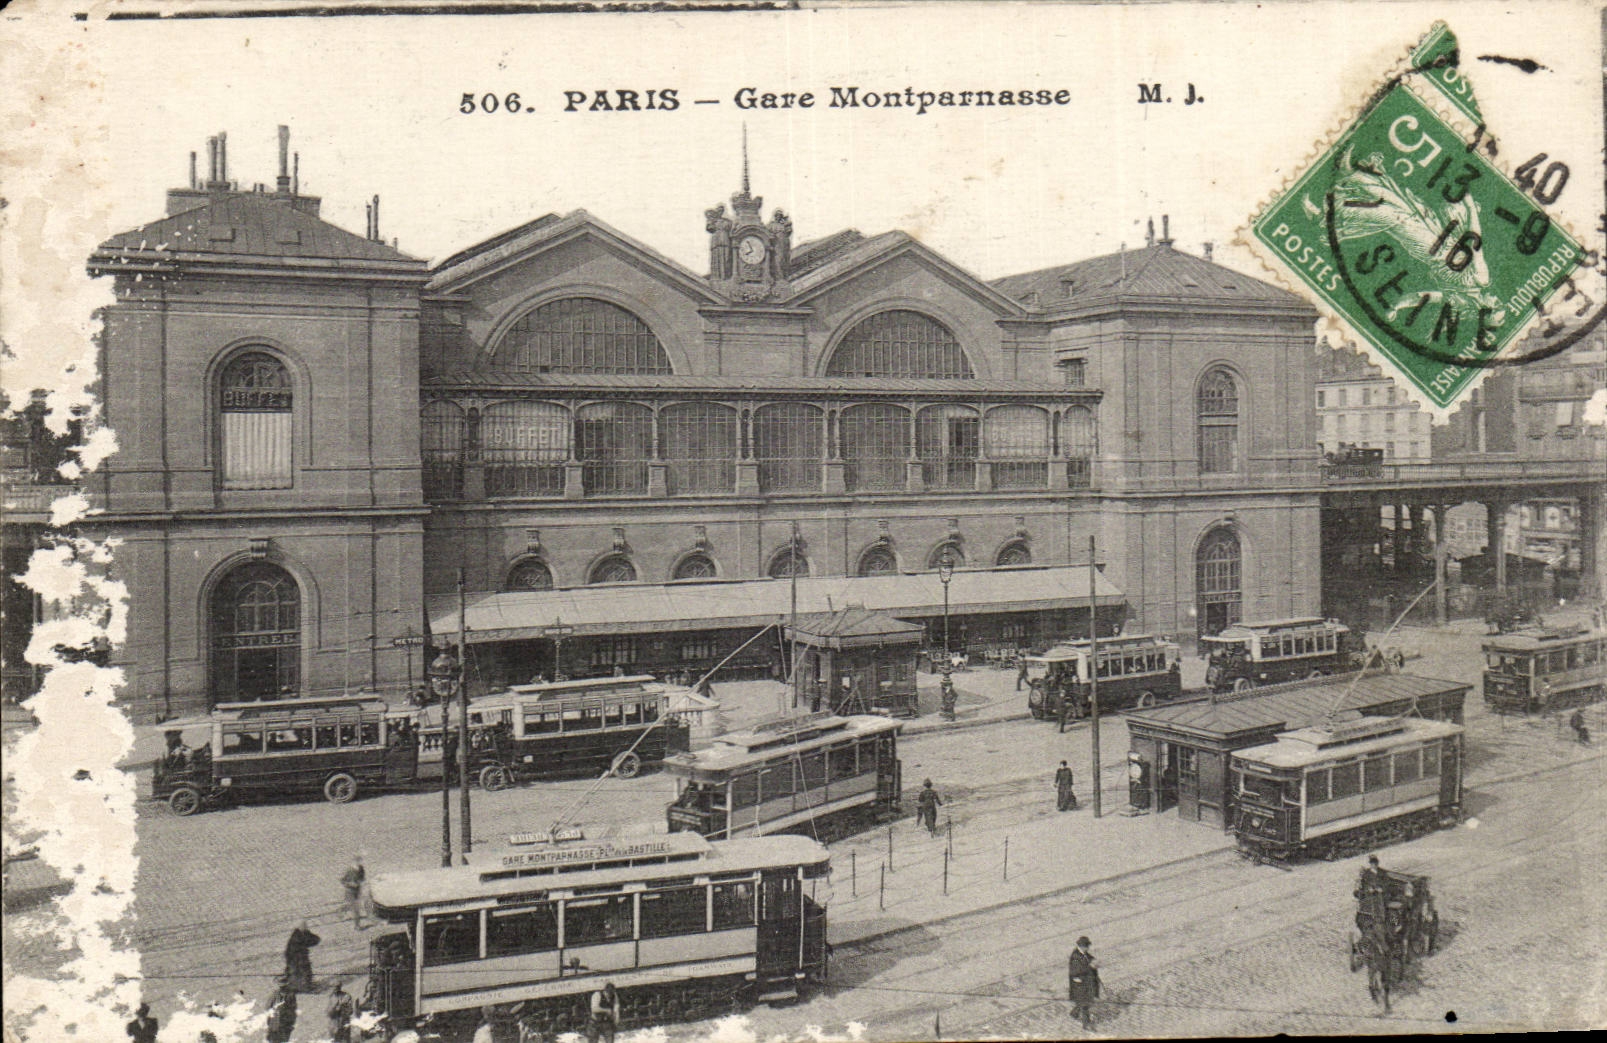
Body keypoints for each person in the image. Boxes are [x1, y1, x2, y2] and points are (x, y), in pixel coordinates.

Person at [1067, 935, 1100, 1030]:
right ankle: (1086, 1025)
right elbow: (1076, 971)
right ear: (1082, 946)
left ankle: (1074, 1013)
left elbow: (1088, 957)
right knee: (1085, 1003)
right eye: (1087, 946)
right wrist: (1090, 966)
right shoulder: (1075, 957)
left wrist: (1093, 960)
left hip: (1086, 982)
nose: (1088, 948)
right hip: (1080, 984)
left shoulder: (1082, 953)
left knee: (1083, 1001)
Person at [283, 920, 321, 992]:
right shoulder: (298, 936)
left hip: (299, 958)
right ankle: (303, 987)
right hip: (297, 958)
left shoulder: (301, 934)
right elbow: (313, 940)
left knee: (300, 972)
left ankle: (301, 985)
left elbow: (315, 940)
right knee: (301, 972)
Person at [266, 978, 298, 1043]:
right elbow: (268, 1006)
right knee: (274, 1038)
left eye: (284, 986)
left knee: (284, 1039)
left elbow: (293, 1008)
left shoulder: (290, 995)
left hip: (285, 1021)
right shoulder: (275, 994)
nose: (282, 988)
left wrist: (291, 1020)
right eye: (281, 986)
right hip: (275, 1020)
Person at [342, 858, 367, 927]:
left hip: (357, 891)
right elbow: (343, 880)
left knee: (355, 907)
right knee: (355, 908)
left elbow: (362, 878)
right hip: (350, 891)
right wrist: (350, 884)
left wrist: (361, 882)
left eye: (360, 863)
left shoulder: (361, 869)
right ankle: (357, 925)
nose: (358, 865)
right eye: (357, 864)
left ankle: (356, 923)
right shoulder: (349, 870)